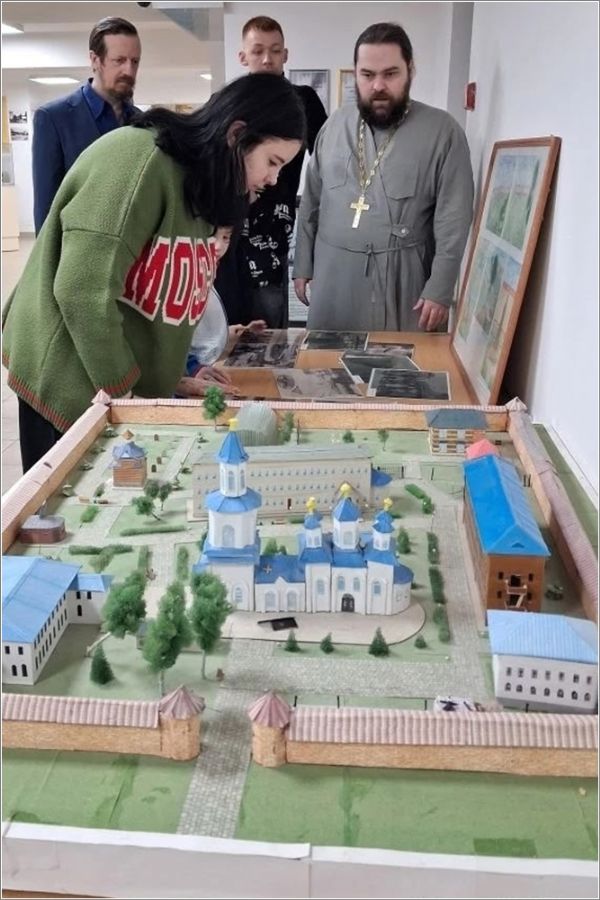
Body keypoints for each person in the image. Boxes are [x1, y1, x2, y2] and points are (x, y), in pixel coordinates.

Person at [2, 73, 305, 471]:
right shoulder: (139, 161)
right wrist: (129, 401)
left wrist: (170, 378)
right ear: (237, 136)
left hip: (116, 389)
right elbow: (82, 291)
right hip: (66, 383)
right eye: (272, 162)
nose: (273, 179)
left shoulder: (199, 189)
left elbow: (157, 300)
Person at [293, 22, 474, 333]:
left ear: (410, 71)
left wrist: (440, 287)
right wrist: (302, 265)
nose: (378, 85)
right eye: (367, 75)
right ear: (355, 74)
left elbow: (453, 219)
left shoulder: (443, 133)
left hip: (402, 282)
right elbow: (312, 200)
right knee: (326, 360)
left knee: (399, 361)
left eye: (390, 74)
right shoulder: (333, 126)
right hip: (333, 279)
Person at [215, 15, 328, 328]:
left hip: (273, 236)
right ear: (243, 57)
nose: (267, 59)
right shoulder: (227, 102)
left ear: (285, 55)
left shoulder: (304, 101)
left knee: (268, 330)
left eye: (275, 51)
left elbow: (329, 161)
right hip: (227, 235)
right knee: (226, 327)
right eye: (258, 51)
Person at [32, 16, 142, 235]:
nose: (129, 71)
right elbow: (46, 209)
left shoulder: (142, 122)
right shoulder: (53, 118)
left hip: (133, 248)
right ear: (95, 60)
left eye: (135, 61)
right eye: (119, 60)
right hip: (77, 249)